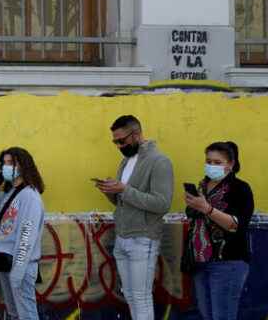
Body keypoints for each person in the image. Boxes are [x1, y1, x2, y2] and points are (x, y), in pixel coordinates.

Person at [95, 115, 173, 320]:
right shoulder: (125, 162)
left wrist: (124, 189)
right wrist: (110, 192)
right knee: (130, 295)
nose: (119, 145)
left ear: (136, 134)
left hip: (143, 238)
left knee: (141, 297)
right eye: (115, 142)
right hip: (123, 237)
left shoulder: (160, 162)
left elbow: (162, 204)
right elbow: (125, 202)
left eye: (122, 140)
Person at [182, 141, 254, 320]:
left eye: (217, 162)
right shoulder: (202, 187)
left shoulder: (240, 188)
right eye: (208, 161)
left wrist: (207, 209)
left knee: (223, 315)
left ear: (230, 164)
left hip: (227, 261)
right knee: (207, 314)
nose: (211, 166)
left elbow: (235, 225)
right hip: (200, 260)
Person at [0, 147, 45, 320]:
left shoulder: (30, 197)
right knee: (14, 314)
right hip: (4, 263)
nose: (6, 166)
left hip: (20, 267)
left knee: (26, 315)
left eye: (11, 163)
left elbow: (26, 236)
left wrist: (17, 274)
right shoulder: (11, 193)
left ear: (23, 166)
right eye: (4, 163)